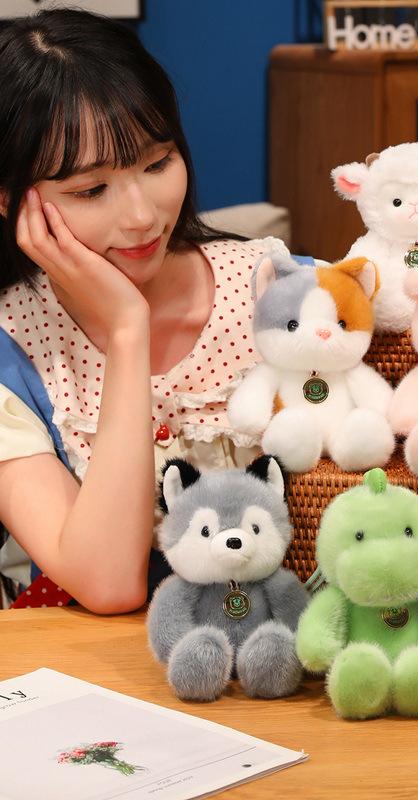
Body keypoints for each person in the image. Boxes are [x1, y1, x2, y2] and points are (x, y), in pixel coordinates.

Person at [0, 9, 290, 612]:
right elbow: (108, 584)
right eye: (90, 190)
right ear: (11, 203)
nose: (140, 216)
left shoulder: (280, 290)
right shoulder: (12, 350)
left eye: (157, 163)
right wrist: (127, 330)